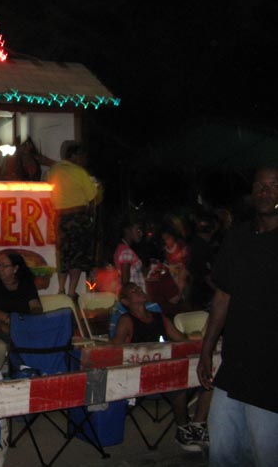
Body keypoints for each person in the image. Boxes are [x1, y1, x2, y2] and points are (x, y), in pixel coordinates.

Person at [197, 165, 278, 466]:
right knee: (223, 451)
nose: (265, 191)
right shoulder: (238, 237)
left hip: (271, 372)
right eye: (259, 185)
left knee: (264, 454)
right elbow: (222, 297)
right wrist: (206, 349)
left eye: (273, 185)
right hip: (235, 366)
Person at [112, 282, 211, 451]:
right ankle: (182, 429)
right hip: (141, 375)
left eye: (138, 288)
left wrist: (199, 340)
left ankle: (198, 424)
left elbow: (181, 340)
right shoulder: (126, 320)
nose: (139, 290)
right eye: (133, 291)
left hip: (164, 369)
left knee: (208, 378)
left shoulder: (159, 317)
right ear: (126, 302)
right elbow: (115, 349)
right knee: (177, 382)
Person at [45, 141, 101, 299]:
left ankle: (61, 289)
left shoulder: (54, 170)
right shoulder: (79, 172)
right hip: (78, 217)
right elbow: (92, 196)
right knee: (77, 256)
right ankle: (71, 292)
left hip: (60, 218)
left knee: (63, 255)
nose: (84, 159)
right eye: (82, 156)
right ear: (74, 156)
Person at [0, 250, 43, 347]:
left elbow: (35, 306)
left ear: (15, 268)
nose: (0, 269)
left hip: (22, 325)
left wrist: (30, 320)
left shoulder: (26, 283)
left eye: (4, 266)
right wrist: (8, 319)